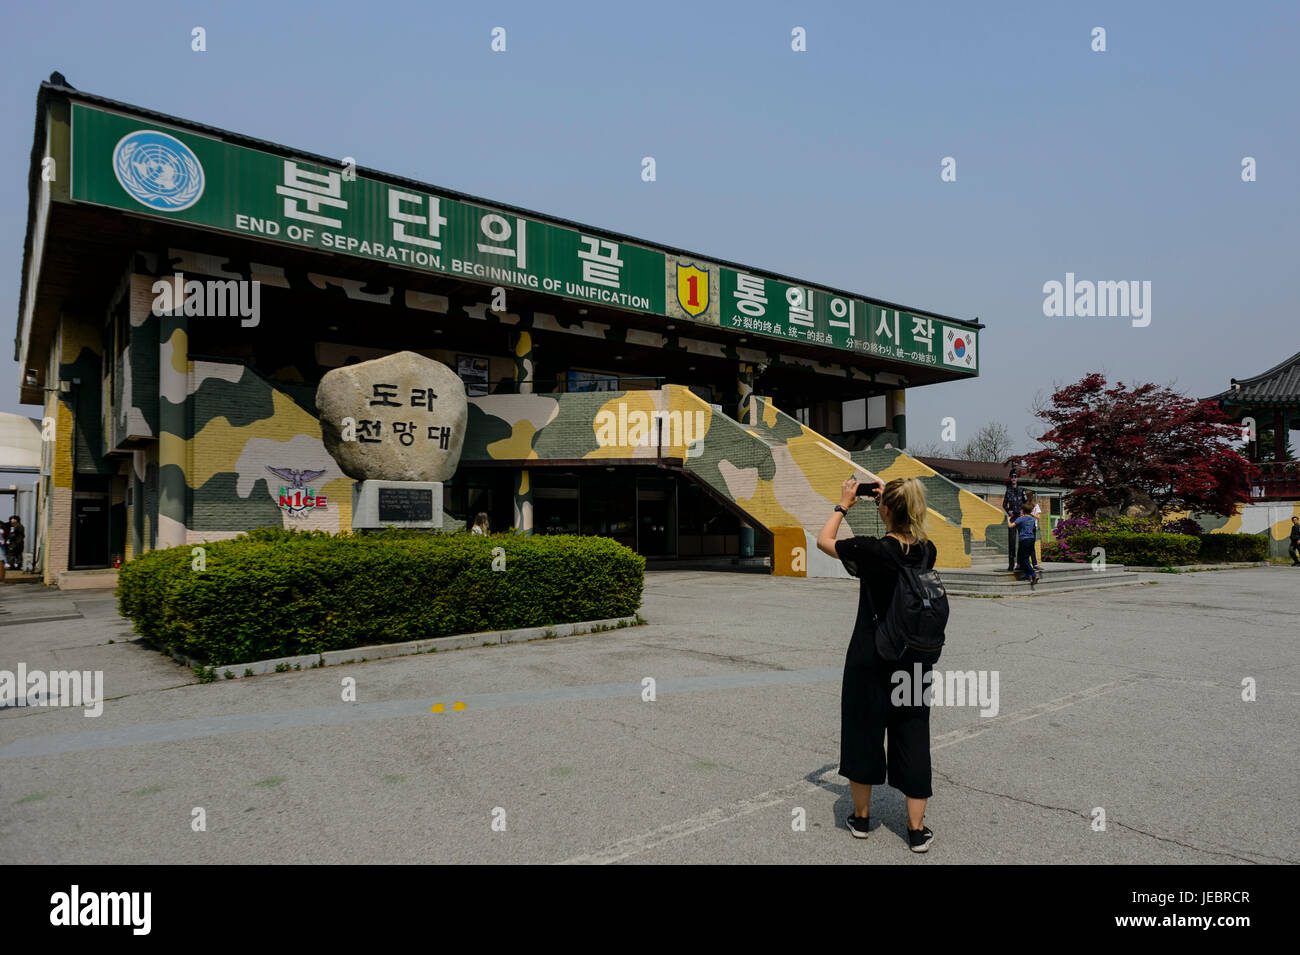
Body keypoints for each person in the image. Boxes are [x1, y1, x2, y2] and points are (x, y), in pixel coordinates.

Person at [817, 474, 938, 853]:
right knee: (913, 734)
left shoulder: (871, 550)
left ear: (884, 508)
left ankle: (863, 819)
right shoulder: (927, 549)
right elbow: (908, 526)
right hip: (913, 658)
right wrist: (894, 501)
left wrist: (844, 503)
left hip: (870, 656)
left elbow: (824, 541)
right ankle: (916, 831)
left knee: (863, 731)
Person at [1008, 502, 1040, 585]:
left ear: (1023, 510)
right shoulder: (1033, 519)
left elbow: (1011, 526)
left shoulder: (1021, 518)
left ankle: (1034, 574)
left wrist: (1008, 519)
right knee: (1026, 557)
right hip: (1031, 539)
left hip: (1024, 540)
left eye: (1021, 509)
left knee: (1023, 560)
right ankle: (1027, 575)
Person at [1002, 470, 1027, 572]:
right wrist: (1009, 511)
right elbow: (1004, 504)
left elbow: (1027, 503)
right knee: (1011, 542)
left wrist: (1023, 510)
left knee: (1022, 541)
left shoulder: (1021, 490)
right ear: (1010, 478)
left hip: (1021, 518)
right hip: (1012, 519)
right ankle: (1011, 564)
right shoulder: (1008, 491)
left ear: (1017, 478)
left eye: (1015, 476)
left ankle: (1020, 563)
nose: (1013, 478)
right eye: (1012, 476)